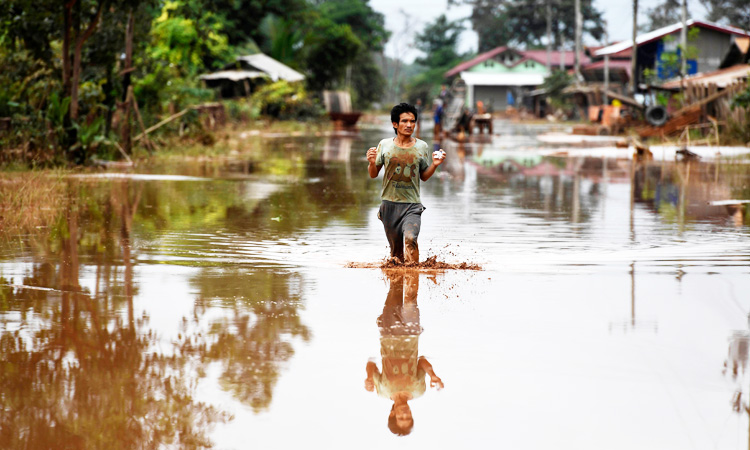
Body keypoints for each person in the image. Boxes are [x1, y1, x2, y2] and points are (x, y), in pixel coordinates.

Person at [364, 272, 443, 436]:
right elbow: (421, 362)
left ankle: (396, 260)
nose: (405, 414)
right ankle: (411, 265)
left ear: (392, 414)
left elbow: (371, 365)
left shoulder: (383, 391)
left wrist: (369, 377)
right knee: (410, 295)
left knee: (394, 287)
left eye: (401, 417)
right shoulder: (418, 391)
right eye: (408, 417)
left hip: (388, 335)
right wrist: (433, 375)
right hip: (411, 333)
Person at [366, 103, 446, 264]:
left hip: (412, 205)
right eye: (404, 121)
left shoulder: (421, 146)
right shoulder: (385, 145)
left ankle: (413, 282)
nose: (409, 125)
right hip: (389, 205)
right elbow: (373, 174)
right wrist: (371, 162)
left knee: (411, 239)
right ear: (395, 124)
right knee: (396, 257)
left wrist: (435, 165)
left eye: (412, 121)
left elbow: (423, 176)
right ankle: (397, 285)